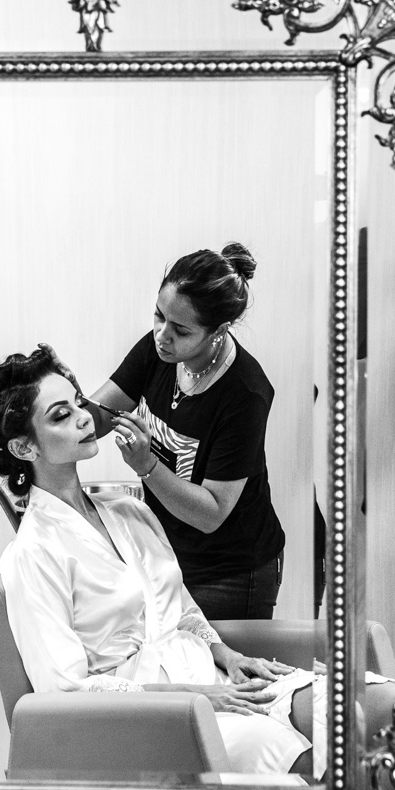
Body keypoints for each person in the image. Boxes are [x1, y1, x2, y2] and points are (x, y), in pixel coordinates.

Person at [0, 345, 326, 778]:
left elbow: (182, 609)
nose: (85, 417)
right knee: (310, 762)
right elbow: (64, 690)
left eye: (80, 403)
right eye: (61, 415)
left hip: (217, 683)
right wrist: (194, 697)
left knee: (353, 717)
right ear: (24, 446)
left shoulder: (130, 512)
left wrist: (228, 656)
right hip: (158, 723)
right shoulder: (34, 553)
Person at [83, 244, 285, 621]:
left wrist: (147, 465)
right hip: (167, 554)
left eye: (180, 330)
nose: (162, 335)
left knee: (213, 661)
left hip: (231, 571)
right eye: (159, 316)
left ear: (218, 331)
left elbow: (212, 513)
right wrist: (63, 402)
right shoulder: (158, 350)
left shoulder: (246, 393)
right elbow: (98, 417)